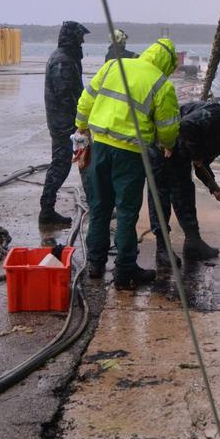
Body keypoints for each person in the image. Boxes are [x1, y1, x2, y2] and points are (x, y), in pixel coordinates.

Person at [76, 38, 180, 290]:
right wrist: (167, 144)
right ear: (167, 63)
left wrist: (82, 126)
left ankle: (95, 265)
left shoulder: (114, 65)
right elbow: (168, 126)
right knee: (126, 212)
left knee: (99, 207)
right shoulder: (161, 83)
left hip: (100, 147)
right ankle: (124, 271)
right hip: (131, 155)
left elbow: (86, 99)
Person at [148, 100, 220, 270]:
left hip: (180, 155)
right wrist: (196, 154)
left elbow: (202, 166)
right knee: (161, 196)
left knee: (185, 192)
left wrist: (214, 188)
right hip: (163, 146)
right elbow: (187, 125)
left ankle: (193, 243)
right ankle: (162, 248)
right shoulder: (217, 115)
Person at [39, 20, 90, 228]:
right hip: (65, 125)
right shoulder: (63, 61)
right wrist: (81, 122)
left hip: (66, 122)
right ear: (73, 38)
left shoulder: (65, 58)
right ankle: (46, 210)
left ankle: (94, 204)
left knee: (82, 163)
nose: (83, 41)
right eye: (80, 37)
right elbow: (67, 96)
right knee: (61, 166)